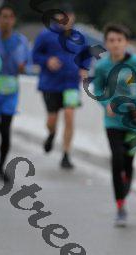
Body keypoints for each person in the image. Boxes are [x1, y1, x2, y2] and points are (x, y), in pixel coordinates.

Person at [92, 23, 136, 226]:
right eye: (111, 40)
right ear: (106, 43)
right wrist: (106, 104)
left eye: (119, 40)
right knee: (117, 159)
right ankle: (120, 206)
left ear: (126, 42)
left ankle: (125, 185)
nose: (116, 44)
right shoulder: (102, 67)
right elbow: (97, 88)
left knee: (128, 160)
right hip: (113, 121)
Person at [31, 4, 90, 169]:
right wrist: (47, 60)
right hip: (50, 85)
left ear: (73, 17)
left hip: (71, 84)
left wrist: (84, 68)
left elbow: (86, 55)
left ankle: (66, 155)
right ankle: (51, 134)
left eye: (69, 16)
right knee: (52, 120)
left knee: (70, 116)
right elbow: (34, 55)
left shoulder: (80, 36)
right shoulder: (46, 35)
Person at [0, 4, 30, 183]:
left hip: (10, 92)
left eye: (10, 17)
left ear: (14, 20)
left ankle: (0, 168)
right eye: (3, 16)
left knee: (5, 130)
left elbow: (28, 66)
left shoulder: (21, 41)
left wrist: (23, 68)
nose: (6, 20)